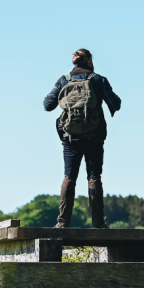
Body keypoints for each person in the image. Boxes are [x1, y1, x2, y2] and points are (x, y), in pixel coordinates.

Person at [43, 49, 121, 228]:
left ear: (74, 62)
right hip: (94, 136)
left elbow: (47, 105)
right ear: (89, 61)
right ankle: (98, 223)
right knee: (94, 177)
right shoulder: (98, 80)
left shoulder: (63, 80)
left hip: (70, 137)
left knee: (69, 178)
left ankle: (62, 223)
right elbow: (116, 103)